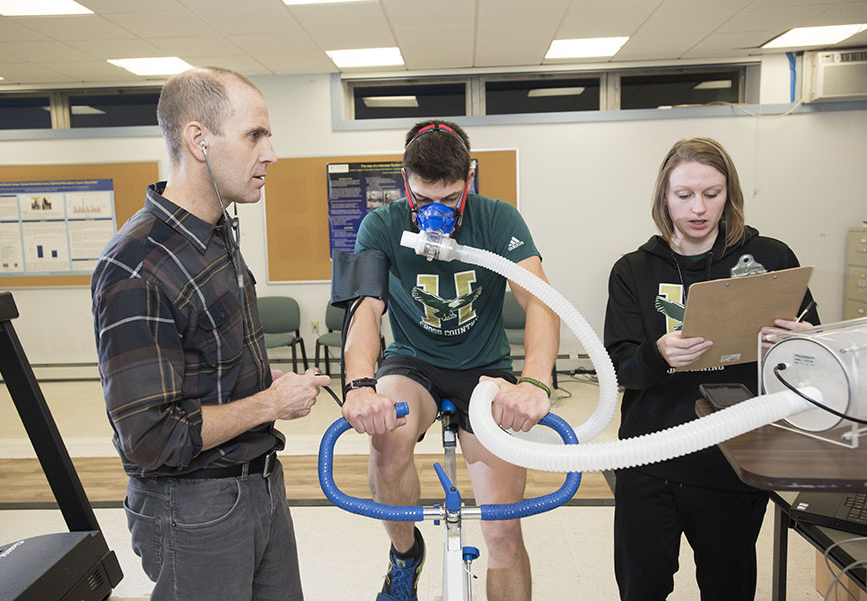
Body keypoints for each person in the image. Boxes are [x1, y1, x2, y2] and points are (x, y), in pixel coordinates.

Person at [91, 66, 330, 601]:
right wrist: (270, 403)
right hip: (193, 507)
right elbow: (152, 438)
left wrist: (266, 399)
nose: (271, 153)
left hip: (259, 484)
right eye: (254, 136)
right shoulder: (137, 265)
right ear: (198, 140)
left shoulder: (215, 232)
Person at [341, 120, 560, 601]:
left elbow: (540, 301)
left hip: (485, 369)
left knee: (503, 532)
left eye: (450, 198)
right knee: (387, 433)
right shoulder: (381, 224)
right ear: (405, 182)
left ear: (470, 180)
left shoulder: (499, 219)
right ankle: (405, 554)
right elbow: (365, 310)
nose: (435, 213)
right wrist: (359, 385)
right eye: (422, 200)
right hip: (413, 363)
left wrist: (535, 383)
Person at [603, 137, 819, 601]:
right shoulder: (633, 270)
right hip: (650, 458)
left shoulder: (771, 259)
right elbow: (620, 368)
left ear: (730, 193)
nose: (699, 208)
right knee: (641, 588)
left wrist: (792, 344)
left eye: (712, 193)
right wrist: (658, 355)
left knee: (728, 587)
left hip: (732, 462)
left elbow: (813, 361)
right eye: (684, 196)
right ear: (664, 197)